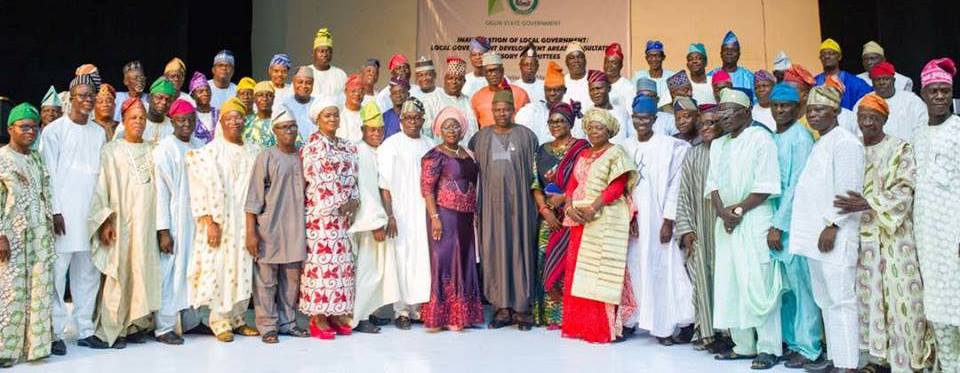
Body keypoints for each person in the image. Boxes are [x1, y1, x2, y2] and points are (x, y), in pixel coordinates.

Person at [834, 93, 934, 372]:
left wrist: (869, 202)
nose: (868, 123)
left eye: (873, 118)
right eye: (863, 117)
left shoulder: (901, 148)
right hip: (862, 237)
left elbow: (905, 189)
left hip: (895, 236)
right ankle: (878, 360)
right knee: (870, 299)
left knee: (903, 298)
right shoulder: (852, 150)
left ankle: (908, 361)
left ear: (885, 120)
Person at [789, 86, 865, 372]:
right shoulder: (821, 142)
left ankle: (848, 366)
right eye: (810, 111)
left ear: (835, 112)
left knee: (841, 300)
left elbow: (849, 191)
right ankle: (836, 358)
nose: (813, 115)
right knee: (825, 300)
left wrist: (832, 225)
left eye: (820, 110)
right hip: (816, 238)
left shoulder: (845, 143)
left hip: (835, 235)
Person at [707, 88, 783, 364]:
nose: (724, 117)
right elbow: (712, 183)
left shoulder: (761, 139)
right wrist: (722, 213)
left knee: (757, 282)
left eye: (730, 112)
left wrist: (737, 210)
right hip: (726, 221)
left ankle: (769, 347)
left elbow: (766, 184)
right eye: (721, 112)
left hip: (754, 219)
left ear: (747, 112)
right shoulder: (718, 144)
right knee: (731, 282)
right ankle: (743, 345)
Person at [87, 97, 162, 349]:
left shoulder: (154, 149)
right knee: (119, 270)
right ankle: (113, 327)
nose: (138, 122)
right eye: (133, 118)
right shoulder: (112, 150)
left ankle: (135, 324)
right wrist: (105, 220)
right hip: (121, 222)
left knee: (142, 269)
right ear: (124, 120)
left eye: (142, 118)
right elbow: (101, 188)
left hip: (147, 223)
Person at [185, 97, 261, 343]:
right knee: (220, 269)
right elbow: (199, 188)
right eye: (229, 118)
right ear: (222, 123)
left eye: (239, 118)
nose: (235, 122)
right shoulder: (210, 152)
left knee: (243, 268)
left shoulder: (253, 151)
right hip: (222, 221)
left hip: (246, 221)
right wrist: (209, 221)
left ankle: (238, 319)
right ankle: (219, 322)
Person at [560, 108, 637, 344]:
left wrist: (593, 207)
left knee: (601, 273)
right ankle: (581, 325)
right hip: (579, 219)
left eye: (599, 127)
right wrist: (569, 206)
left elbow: (617, 186)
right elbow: (573, 183)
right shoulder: (583, 154)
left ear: (609, 130)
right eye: (590, 127)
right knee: (578, 271)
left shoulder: (616, 153)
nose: (594, 131)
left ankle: (603, 328)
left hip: (604, 219)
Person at [42, 75, 106, 354]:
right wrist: (55, 211)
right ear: (70, 97)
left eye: (91, 95)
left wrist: (103, 215)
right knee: (57, 274)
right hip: (63, 216)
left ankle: (85, 329)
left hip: (89, 215)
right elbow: (48, 174)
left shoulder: (99, 132)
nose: (87, 100)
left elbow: (102, 176)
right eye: (81, 95)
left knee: (88, 274)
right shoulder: (54, 130)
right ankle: (54, 331)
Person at [623, 95, 693, 345]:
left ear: (654, 119)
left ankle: (664, 326)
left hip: (659, 219)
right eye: (637, 118)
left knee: (663, 268)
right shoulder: (625, 147)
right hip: (634, 221)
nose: (641, 122)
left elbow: (676, 185)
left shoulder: (670, 146)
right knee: (633, 268)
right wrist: (628, 215)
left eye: (646, 118)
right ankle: (633, 319)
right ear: (631, 119)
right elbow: (621, 186)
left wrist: (668, 220)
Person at [469, 89, 539, 330]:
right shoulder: (480, 139)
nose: (501, 113)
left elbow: (536, 176)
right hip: (490, 209)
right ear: (492, 111)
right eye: (497, 109)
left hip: (521, 208)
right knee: (494, 252)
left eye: (506, 109)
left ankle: (522, 309)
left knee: (520, 251)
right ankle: (501, 309)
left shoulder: (527, 137)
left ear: (513, 111)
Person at [766, 83, 824, 369]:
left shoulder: (800, 138)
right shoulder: (774, 137)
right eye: (776, 105)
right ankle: (792, 342)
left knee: (802, 288)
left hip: (795, 224)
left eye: (785, 105)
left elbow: (796, 187)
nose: (780, 110)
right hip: (776, 224)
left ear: (796, 108)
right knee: (786, 289)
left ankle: (810, 347)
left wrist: (778, 224)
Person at [244, 109, 310, 343]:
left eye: (293, 126)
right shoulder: (266, 157)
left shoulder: (303, 157)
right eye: (284, 127)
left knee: (291, 282)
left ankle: (288, 323)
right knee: (266, 281)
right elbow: (253, 197)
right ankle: (267, 326)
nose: (289, 131)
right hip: (268, 230)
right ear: (275, 131)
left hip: (295, 230)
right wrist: (251, 232)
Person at [419, 107, 485, 332]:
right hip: (444, 216)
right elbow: (427, 189)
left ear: (462, 129)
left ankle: (460, 316)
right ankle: (440, 317)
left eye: (455, 125)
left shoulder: (467, 154)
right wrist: (434, 217)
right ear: (439, 130)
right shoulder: (435, 155)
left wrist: (475, 214)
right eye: (447, 126)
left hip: (466, 218)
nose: (452, 130)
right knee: (444, 261)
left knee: (464, 260)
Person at [913, 57, 960, 371]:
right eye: (934, 91)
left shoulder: (959, 130)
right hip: (928, 238)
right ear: (924, 94)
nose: (940, 96)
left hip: (955, 236)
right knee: (938, 307)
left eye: (945, 91)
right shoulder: (918, 135)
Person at [299, 97, 359, 339]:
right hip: (321, 219)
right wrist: (340, 202)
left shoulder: (347, 146)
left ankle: (335, 313)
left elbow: (354, 173)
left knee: (342, 267)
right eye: (327, 115)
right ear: (317, 120)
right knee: (321, 268)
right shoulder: (312, 147)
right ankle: (318, 317)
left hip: (344, 219)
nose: (333, 118)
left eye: (335, 114)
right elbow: (319, 180)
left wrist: (354, 199)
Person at [0, 103, 55, 367]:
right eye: (24, 127)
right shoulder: (1, 159)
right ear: (10, 128)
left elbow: (46, 189)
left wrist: (52, 216)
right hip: (11, 234)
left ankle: (36, 346)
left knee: (39, 286)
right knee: (10, 289)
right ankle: (6, 350)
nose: (30, 132)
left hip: (39, 232)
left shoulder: (35, 157)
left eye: (34, 127)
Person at [530, 101, 590, 328]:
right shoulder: (542, 150)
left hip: (573, 215)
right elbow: (535, 184)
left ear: (570, 123)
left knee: (570, 262)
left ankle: (571, 315)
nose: (555, 125)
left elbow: (587, 181)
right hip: (549, 219)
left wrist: (565, 198)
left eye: (560, 121)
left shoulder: (582, 149)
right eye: (552, 121)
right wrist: (545, 211)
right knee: (547, 261)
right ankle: (549, 316)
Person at [377, 97, 433, 330]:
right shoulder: (391, 145)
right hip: (399, 212)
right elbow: (384, 185)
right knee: (401, 258)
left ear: (423, 120)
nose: (412, 121)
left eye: (416, 118)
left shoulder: (431, 144)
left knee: (424, 259)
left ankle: (420, 308)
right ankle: (401, 311)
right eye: (408, 118)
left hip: (424, 211)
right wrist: (390, 215)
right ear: (401, 120)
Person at [153, 99, 204, 345]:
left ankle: (193, 320)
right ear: (172, 122)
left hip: (197, 220)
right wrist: (163, 230)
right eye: (181, 120)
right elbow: (161, 193)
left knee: (195, 268)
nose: (186, 125)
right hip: (175, 220)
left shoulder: (200, 145)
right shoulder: (165, 148)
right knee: (172, 272)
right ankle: (164, 326)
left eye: (190, 120)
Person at [675, 104, 725, 352]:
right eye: (703, 123)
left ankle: (729, 334)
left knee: (726, 279)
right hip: (700, 231)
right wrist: (685, 229)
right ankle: (706, 332)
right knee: (700, 281)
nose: (706, 127)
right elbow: (682, 194)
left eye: (712, 123)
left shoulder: (729, 151)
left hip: (726, 229)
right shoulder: (693, 155)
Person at [349, 103, 399, 334]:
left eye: (379, 130)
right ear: (362, 130)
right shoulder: (360, 152)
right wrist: (377, 223)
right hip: (369, 224)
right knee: (367, 272)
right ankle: (358, 318)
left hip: (379, 220)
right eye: (372, 130)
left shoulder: (379, 150)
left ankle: (370, 312)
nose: (376, 133)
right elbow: (367, 192)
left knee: (378, 271)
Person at [859, 61, 927, 143]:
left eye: (886, 79)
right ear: (872, 82)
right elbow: (858, 131)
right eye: (877, 79)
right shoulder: (864, 102)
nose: (882, 82)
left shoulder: (912, 101)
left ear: (894, 80)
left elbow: (923, 128)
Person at [421, 57, 478, 145]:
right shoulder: (432, 100)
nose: (454, 82)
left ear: (464, 82)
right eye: (450, 78)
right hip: (440, 154)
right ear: (444, 80)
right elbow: (426, 132)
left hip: (465, 154)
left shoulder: (469, 102)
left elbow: (473, 131)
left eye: (458, 79)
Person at [471, 52, 530, 128]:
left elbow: (528, 121)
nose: (493, 74)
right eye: (489, 71)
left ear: (502, 71)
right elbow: (475, 126)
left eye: (496, 70)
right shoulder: (477, 97)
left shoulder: (520, 94)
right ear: (484, 73)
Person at [515, 61, 567, 144]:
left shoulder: (570, 113)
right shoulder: (532, 111)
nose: (552, 93)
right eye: (548, 90)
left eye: (556, 90)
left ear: (564, 91)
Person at [815, 39, 872, 110]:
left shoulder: (855, 83)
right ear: (820, 58)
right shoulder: (813, 83)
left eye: (831, 53)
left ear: (839, 57)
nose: (827, 56)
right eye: (823, 54)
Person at [116, 77, 175, 145]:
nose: (164, 102)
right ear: (149, 98)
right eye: (159, 97)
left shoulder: (172, 127)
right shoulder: (133, 119)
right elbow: (116, 146)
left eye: (168, 100)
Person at [579, 70, 631, 144]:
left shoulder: (622, 112)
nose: (595, 93)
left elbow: (630, 138)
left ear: (609, 88)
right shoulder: (586, 115)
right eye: (592, 90)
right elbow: (582, 142)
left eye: (599, 88)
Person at [709, 31, 755, 97]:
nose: (729, 53)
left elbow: (755, 101)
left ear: (739, 54)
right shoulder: (711, 76)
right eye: (726, 49)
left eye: (733, 50)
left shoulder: (749, 77)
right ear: (721, 54)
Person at [309, 28, 348, 104]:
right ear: (313, 54)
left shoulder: (340, 74)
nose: (325, 55)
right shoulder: (305, 73)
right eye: (321, 51)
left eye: (328, 51)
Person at [633, 40, 675, 109]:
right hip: (645, 115)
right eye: (650, 56)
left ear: (663, 57)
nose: (654, 59)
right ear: (646, 58)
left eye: (657, 56)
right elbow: (634, 100)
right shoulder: (639, 77)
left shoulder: (672, 76)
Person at [282, 66, 317, 141]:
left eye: (308, 83)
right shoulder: (285, 105)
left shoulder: (318, 104)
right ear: (294, 82)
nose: (304, 86)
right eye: (300, 82)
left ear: (313, 84)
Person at [244, 81, 284, 148]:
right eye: (260, 95)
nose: (265, 99)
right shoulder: (246, 122)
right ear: (254, 99)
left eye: (269, 95)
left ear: (273, 98)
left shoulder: (282, 122)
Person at [189, 72, 219, 144]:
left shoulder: (219, 114)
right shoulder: (190, 116)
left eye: (207, 90)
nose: (205, 93)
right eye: (201, 91)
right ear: (193, 95)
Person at [337, 74, 365, 143]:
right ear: (345, 91)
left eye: (361, 91)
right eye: (353, 91)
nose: (357, 94)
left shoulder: (368, 113)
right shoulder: (338, 113)